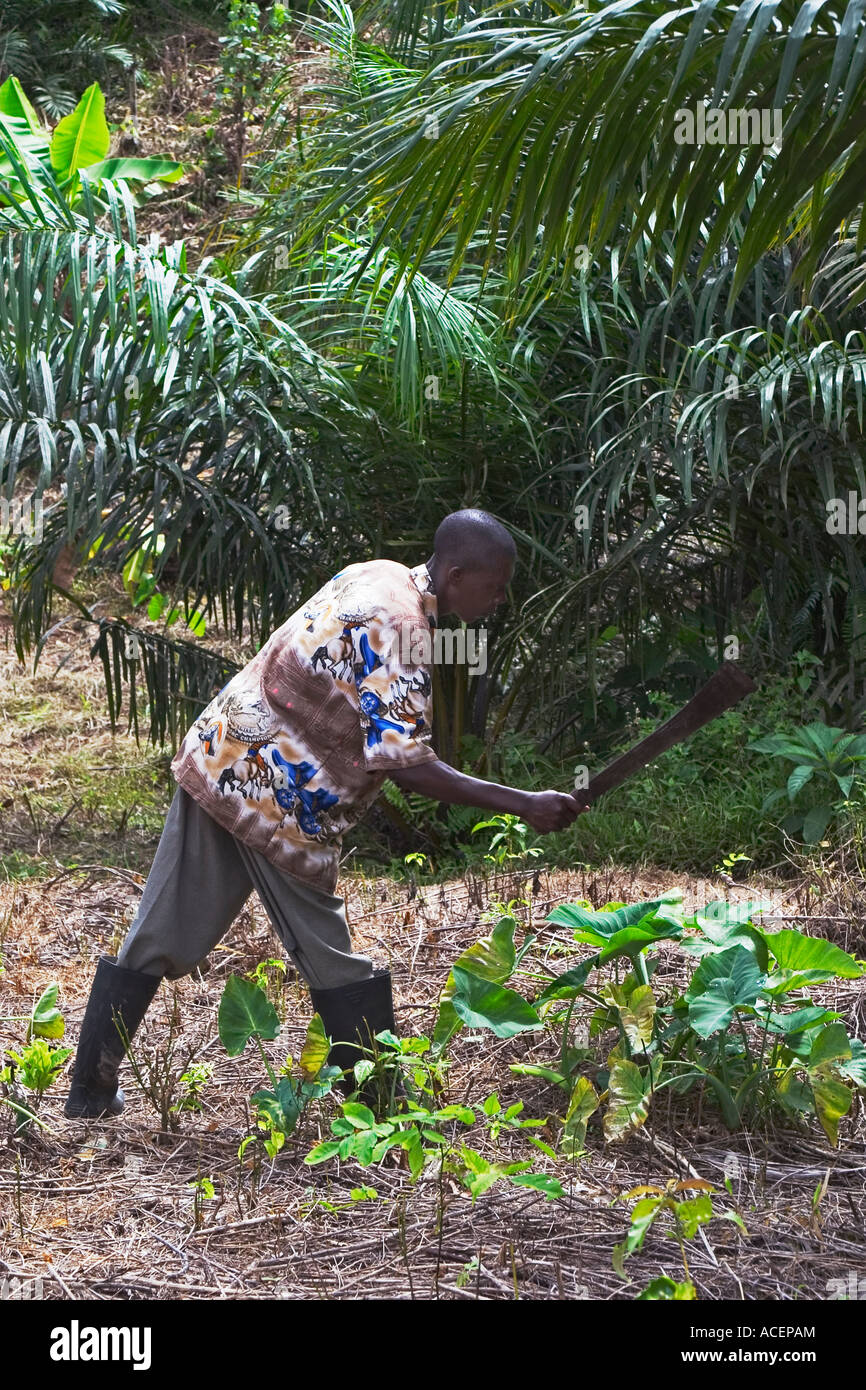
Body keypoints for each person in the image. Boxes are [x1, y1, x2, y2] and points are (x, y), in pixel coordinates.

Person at [64, 509, 586, 1119]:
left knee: (159, 931)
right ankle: (382, 1112)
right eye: (494, 585)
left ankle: (88, 1091)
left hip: (222, 749)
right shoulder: (403, 627)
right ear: (456, 572)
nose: (499, 600)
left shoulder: (379, 574)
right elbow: (405, 763)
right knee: (333, 959)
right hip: (277, 792)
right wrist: (524, 804)